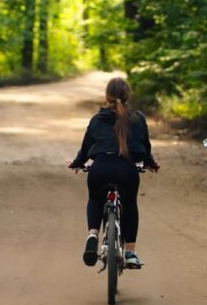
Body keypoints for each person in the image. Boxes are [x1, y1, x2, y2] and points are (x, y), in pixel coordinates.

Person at [68, 77, 160, 269]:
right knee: (130, 203)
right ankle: (130, 252)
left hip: (100, 168)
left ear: (107, 96)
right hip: (126, 169)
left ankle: (93, 233)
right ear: (128, 96)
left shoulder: (97, 119)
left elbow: (86, 148)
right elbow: (145, 146)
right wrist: (151, 164)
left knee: (95, 199)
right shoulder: (138, 118)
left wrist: (77, 163)